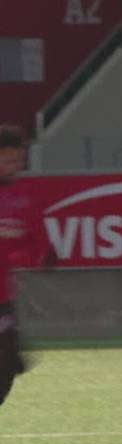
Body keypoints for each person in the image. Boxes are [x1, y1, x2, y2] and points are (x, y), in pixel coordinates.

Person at [0, 126, 56, 408]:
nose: (14, 166)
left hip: (2, 298)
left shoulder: (23, 196)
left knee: (10, 365)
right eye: (7, 160)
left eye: (17, 160)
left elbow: (34, 243)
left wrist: (42, 257)